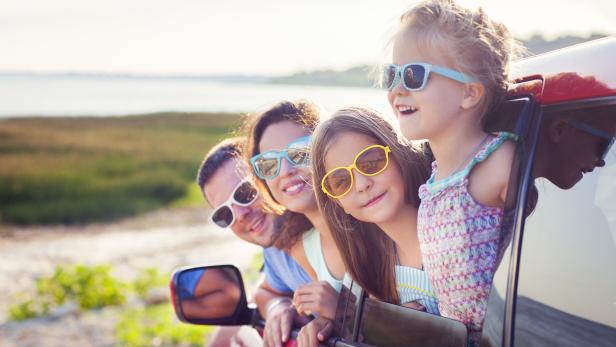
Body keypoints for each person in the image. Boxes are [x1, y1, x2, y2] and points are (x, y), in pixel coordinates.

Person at [383, 0, 522, 342]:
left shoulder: (497, 162)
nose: (397, 88)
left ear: (469, 93)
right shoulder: (433, 182)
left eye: (413, 75)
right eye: (392, 74)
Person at [298, 106, 439, 346]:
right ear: (337, 202)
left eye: (371, 162)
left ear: (397, 153)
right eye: (341, 181)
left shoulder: (446, 236)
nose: (362, 184)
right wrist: (335, 324)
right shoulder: (373, 267)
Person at [244, 100, 345, 347]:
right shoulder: (302, 247)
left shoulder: (368, 222)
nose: (284, 170)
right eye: (268, 163)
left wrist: (343, 314)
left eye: (300, 153)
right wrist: (327, 323)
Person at [197, 137, 312, 346]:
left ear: (268, 173)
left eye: (245, 192)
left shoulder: (325, 226)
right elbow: (264, 290)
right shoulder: (276, 250)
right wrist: (277, 306)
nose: (240, 215)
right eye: (225, 213)